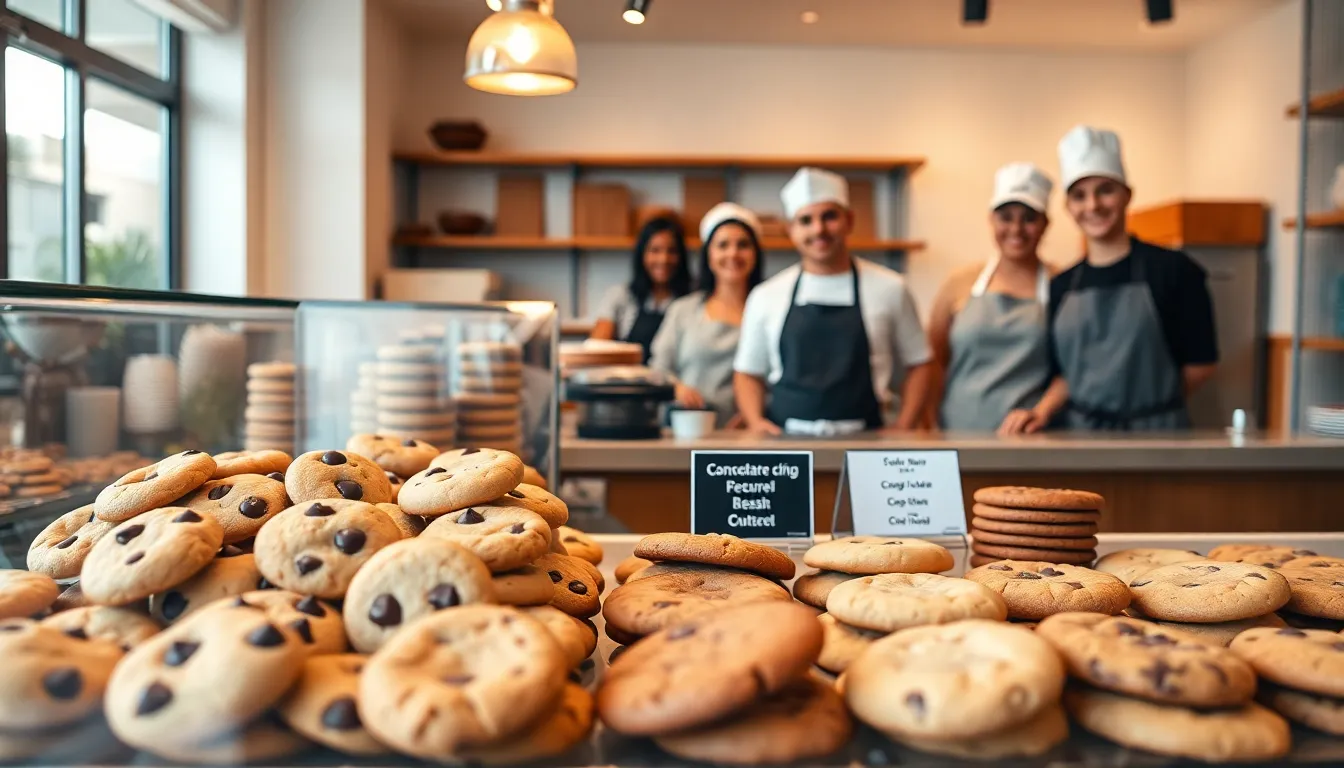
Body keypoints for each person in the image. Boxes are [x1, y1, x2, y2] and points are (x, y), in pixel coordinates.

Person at [1007, 125, 1218, 433]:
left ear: (1127, 195)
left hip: (1158, 437)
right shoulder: (1062, 285)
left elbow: (1201, 365)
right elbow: (1067, 376)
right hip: (1080, 439)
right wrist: (1041, 412)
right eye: (1079, 196)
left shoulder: (1175, 270)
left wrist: (1148, 410)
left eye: (1105, 190)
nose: (1093, 205)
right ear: (1068, 207)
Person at [733, 167, 933, 436]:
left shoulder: (890, 288)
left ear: (849, 220)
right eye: (806, 220)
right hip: (786, 443)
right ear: (791, 230)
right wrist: (756, 422)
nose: (819, 229)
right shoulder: (766, 295)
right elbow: (747, 373)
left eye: (829, 217)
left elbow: (920, 362)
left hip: (867, 441)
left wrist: (904, 424)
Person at [929, 162, 1054, 434]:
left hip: (1031, 435)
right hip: (957, 432)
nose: (1016, 229)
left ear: (1046, 223)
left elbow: (1071, 370)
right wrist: (927, 424)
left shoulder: (1063, 284)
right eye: (1006, 217)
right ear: (991, 220)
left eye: (1029, 218)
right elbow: (934, 361)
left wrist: (1041, 411)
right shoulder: (958, 283)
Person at [648, 203, 765, 428]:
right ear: (709, 255)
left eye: (743, 245)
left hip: (751, 436)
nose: (733, 253)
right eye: (722, 245)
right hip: (686, 430)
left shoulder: (770, 310)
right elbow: (658, 368)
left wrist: (754, 416)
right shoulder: (683, 310)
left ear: (755, 254)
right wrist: (678, 388)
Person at [589, 216, 692, 362]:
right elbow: (597, 348)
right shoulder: (620, 296)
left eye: (672, 251)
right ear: (642, 254)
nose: (663, 259)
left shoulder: (692, 302)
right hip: (628, 381)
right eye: (655, 250)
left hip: (674, 382)